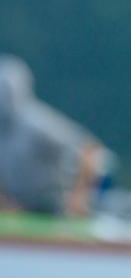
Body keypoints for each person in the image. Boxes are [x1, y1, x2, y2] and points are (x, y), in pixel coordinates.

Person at [0, 54, 114, 216]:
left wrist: (79, 196)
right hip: (19, 206)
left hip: (50, 205)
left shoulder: (36, 124)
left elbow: (89, 148)